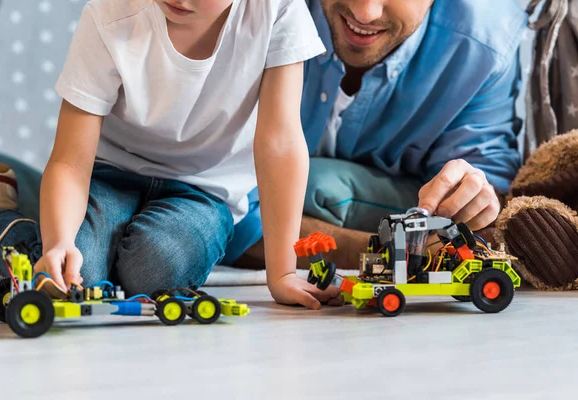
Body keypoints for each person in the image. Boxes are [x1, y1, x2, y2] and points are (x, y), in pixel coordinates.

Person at [0, 0, 342, 309]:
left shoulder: (277, 11)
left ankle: (43, 240)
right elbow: (71, 162)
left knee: (154, 271)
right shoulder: (111, 13)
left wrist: (282, 273)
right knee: (76, 278)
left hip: (204, 191)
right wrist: (59, 244)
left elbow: (280, 143)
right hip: (109, 174)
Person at [227, 0, 529, 270]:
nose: (364, 13)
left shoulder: (487, 39)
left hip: (400, 199)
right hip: (279, 194)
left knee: (312, 185)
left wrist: (476, 196)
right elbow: (213, 197)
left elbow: (488, 202)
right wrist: (387, 255)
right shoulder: (249, 11)